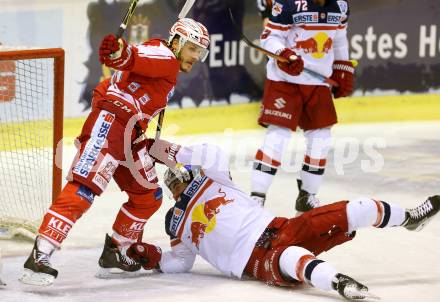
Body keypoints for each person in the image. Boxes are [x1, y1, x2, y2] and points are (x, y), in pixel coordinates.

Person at [19, 18, 210, 286]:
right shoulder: (165, 55)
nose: (196, 57)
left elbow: (126, 69)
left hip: (131, 133)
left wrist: (121, 58)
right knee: (84, 189)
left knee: (148, 195)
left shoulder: (167, 60)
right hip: (110, 124)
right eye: (193, 49)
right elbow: (134, 57)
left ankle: (116, 252)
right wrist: (121, 51)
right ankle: (41, 253)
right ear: (177, 42)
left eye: (200, 52)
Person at [127, 139, 439, 300]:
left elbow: (210, 152)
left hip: (282, 226)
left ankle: (409, 218)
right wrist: (152, 257)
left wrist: (165, 149)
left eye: (178, 178)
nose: (176, 186)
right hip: (256, 261)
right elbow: (180, 262)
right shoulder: (175, 221)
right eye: (173, 184)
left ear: (189, 171)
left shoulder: (214, 177)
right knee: (291, 258)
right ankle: (339, 283)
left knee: (353, 209)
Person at [250, 0, 355, 214]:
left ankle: (307, 195)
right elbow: (270, 37)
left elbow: (339, 39)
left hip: (318, 83)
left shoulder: (341, 7)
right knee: (277, 137)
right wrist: (284, 54)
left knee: (321, 140)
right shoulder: (288, 3)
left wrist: (343, 68)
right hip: (284, 81)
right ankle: (256, 198)